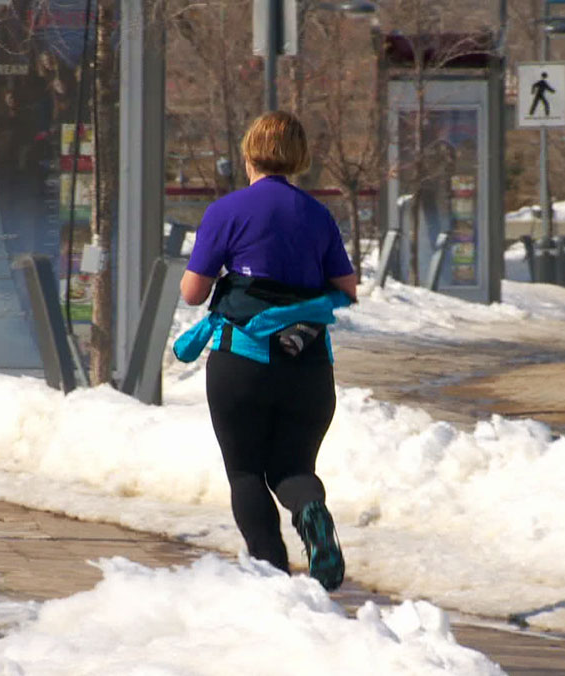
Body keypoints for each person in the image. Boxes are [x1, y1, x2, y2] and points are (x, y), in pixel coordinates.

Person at [173, 111, 357, 591]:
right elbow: (347, 285)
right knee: (294, 469)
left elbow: (193, 293)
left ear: (248, 152)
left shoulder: (227, 211)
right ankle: (311, 512)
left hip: (244, 361)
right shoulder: (318, 215)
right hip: (310, 366)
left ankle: (274, 580)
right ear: (298, 158)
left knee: (246, 471)